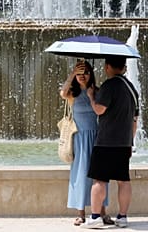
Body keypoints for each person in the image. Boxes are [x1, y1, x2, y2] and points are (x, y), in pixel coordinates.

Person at [80, 55, 139, 229]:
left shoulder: (109, 85)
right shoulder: (132, 89)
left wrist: (91, 96)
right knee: (123, 180)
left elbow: (99, 109)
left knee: (99, 180)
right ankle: (122, 217)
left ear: (107, 67)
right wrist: (130, 142)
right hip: (124, 142)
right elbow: (135, 120)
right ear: (124, 67)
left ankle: (96, 217)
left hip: (106, 142)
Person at [60, 60, 113, 226]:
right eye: (79, 73)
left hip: (96, 137)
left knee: (99, 176)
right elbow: (62, 92)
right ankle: (81, 213)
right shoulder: (71, 94)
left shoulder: (97, 92)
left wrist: (91, 96)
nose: (82, 76)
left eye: (86, 73)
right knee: (80, 174)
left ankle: (102, 211)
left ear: (91, 75)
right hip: (79, 137)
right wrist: (72, 74)